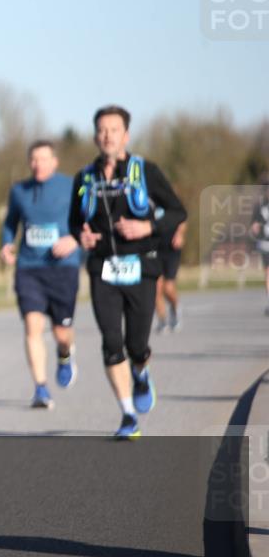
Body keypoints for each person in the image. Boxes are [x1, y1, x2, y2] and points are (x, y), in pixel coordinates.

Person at [69, 105, 187, 440]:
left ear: (126, 135)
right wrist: (82, 235)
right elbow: (74, 221)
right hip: (102, 270)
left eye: (114, 130)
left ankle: (141, 371)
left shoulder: (146, 171)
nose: (107, 136)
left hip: (142, 268)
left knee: (137, 344)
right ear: (95, 136)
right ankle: (127, 414)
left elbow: (178, 211)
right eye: (102, 130)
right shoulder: (84, 178)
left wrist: (146, 225)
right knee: (111, 342)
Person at [0, 139, 81, 410]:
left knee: (61, 333)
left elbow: (87, 222)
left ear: (54, 161)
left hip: (64, 268)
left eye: (43, 159)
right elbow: (10, 223)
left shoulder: (71, 186)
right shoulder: (19, 191)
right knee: (32, 327)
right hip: (29, 267)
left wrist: (73, 241)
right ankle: (41, 388)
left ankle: (64, 354)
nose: (38, 164)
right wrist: (6, 244)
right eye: (33, 159)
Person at [154, 216, 187, 333]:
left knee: (168, 287)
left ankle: (175, 307)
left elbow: (182, 217)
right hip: (155, 249)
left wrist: (180, 234)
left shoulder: (169, 200)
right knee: (156, 288)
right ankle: (162, 321)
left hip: (171, 249)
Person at [252, 177, 269, 316]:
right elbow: (255, 226)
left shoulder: (260, 206)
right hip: (265, 244)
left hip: (265, 243)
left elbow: (255, 227)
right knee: (268, 273)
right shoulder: (259, 206)